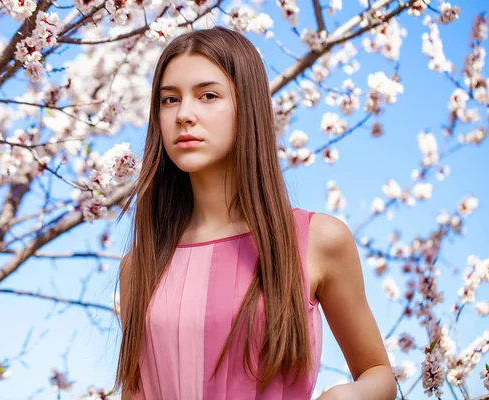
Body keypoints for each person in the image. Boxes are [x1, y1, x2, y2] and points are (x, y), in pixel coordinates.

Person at [112, 26, 396, 400]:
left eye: (208, 95)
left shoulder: (317, 240)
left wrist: (344, 396)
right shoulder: (139, 266)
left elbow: (378, 374)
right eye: (169, 100)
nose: (184, 114)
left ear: (247, 105)